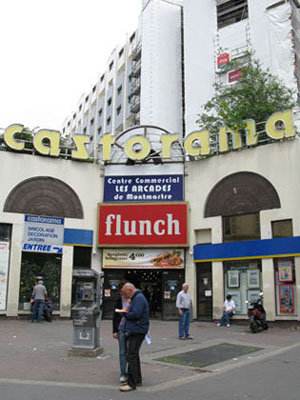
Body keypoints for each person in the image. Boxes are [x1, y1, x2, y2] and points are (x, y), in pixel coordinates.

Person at [116, 283, 149, 392]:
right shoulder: (138, 297)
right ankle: (137, 379)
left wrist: (124, 314)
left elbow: (136, 314)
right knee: (134, 355)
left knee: (131, 355)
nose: (127, 297)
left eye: (126, 294)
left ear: (130, 290)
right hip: (138, 329)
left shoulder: (138, 298)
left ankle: (131, 383)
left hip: (137, 330)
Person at [112, 282, 130, 383]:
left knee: (131, 352)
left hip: (132, 328)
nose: (123, 293)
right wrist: (114, 330)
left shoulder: (135, 299)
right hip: (121, 327)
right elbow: (115, 315)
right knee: (122, 352)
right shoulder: (120, 300)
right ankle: (123, 373)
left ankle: (131, 372)